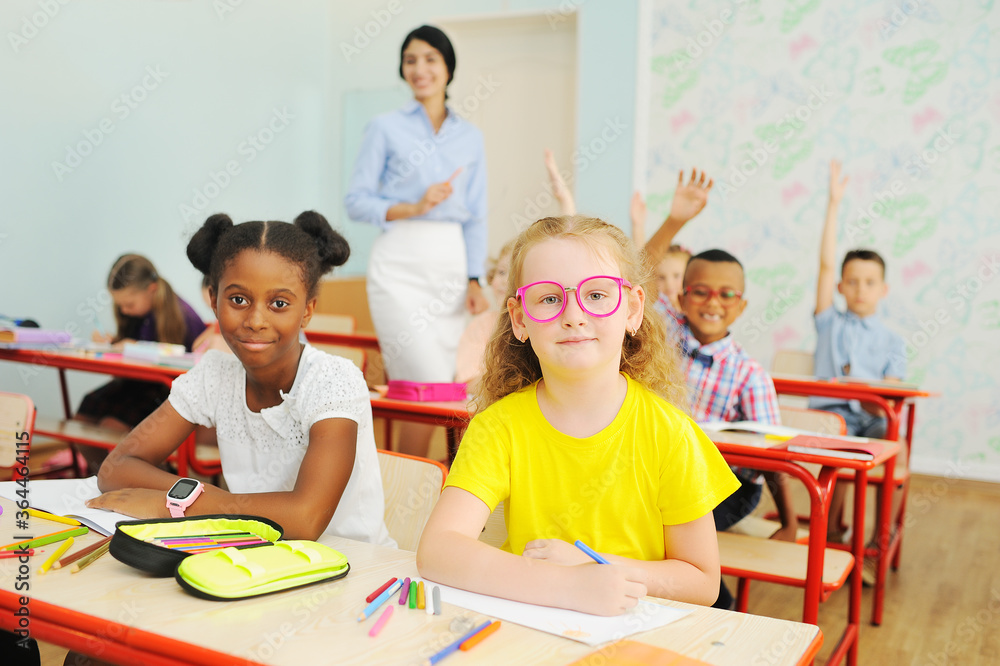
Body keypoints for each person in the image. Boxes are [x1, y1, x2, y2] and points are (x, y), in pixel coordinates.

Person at [416, 215, 739, 615]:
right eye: (549, 298)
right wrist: (565, 585)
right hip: (533, 627)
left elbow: (703, 581)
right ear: (520, 319)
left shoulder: (670, 433)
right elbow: (438, 550)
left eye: (598, 296)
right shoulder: (498, 427)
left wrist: (595, 571)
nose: (573, 315)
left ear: (633, 309)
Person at [88, 211, 394, 546]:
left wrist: (178, 506)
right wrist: (210, 505)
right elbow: (115, 468)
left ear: (307, 309)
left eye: (279, 303)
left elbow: (305, 519)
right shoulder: (214, 375)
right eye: (238, 300)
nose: (256, 320)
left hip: (352, 569)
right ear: (213, 301)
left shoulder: (333, 381)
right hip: (256, 555)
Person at [344, 25, 489, 458]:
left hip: (450, 263)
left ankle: (421, 485)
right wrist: (414, 206)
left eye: (430, 59)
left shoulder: (471, 136)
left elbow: (477, 214)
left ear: (448, 68)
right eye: (411, 60)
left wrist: (475, 278)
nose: (420, 69)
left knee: (443, 386)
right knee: (421, 380)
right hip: (399, 266)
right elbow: (356, 201)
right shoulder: (384, 127)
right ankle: (412, 483)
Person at [814, 160, 906, 581]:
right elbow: (825, 266)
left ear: (884, 290)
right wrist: (833, 205)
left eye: (870, 282)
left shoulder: (891, 340)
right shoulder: (829, 322)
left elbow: (893, 391)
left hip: (869, 421)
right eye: (852, 281)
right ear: (839, 287)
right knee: (836, 456)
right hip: (831, 420)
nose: (860, 289)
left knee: (880, 456)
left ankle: (869, 547)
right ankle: (828, 536)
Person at [75, 254, 207, 474]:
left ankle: (146, 479)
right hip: (137, 383)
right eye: (120, 305)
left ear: (151, 289)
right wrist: (113, 343)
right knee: (83, 416)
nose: (124, 310)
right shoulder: (136, 314)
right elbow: (131, 347)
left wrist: (132, 346)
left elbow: (185, 359)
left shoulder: (182, 315)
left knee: (112, 427)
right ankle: (100, 477)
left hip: (169, 388)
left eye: (129, 304)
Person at [454, 239, 514, 391]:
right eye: (501, 272)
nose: (505, 281)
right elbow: (467, 382)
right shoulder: (483, 325)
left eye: (514, 275)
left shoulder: (540, 327)